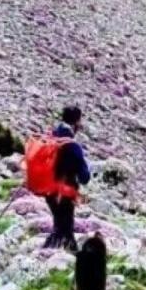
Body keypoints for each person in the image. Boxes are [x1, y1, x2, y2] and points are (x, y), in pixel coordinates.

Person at [43, 104, 91, 252]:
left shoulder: (51, 137)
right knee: (65, 227)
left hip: (49, 191)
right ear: (76, 122)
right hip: (65, 192)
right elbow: (84, 178)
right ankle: (64, 257)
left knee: (59, 225)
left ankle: (52, 253)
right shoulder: (72, 146)